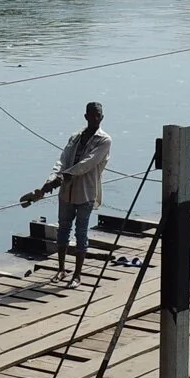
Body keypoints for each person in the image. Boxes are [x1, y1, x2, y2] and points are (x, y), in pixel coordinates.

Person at [22, 102, 112, 284]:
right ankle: (61, 270)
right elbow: (62, 160)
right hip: (66, 194)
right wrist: (50, 180)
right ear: (86, 116)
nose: (95, 118)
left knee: (81, 233)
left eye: (98, 116)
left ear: (102, 118)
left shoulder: (104, 140)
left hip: (86, 193)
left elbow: (86, 164)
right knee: (63, 231)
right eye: (92, 115)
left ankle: (77, 275)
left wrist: (62, 177)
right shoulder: (75, 137)